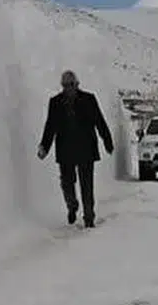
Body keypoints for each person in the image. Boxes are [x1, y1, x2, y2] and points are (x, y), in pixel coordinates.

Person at [37, 70, 114, 228]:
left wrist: (107, 141)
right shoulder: (55, 102)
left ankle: (89, 217)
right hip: (65, 150)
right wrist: (44, 147)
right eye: (65, 85)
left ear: (77, 84)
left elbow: (99, 121)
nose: (69, 88)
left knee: (87, 185)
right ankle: (72, 206)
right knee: (67, 183)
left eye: (71, 84)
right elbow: (50, 127)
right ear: (62, 86)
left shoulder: (89, 99)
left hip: (86, 149)